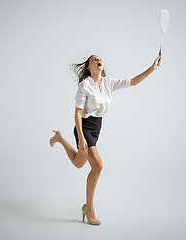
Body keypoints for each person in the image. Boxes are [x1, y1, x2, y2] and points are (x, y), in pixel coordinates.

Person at [49, 54, 161, 225]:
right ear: (88, 67)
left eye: (98, 58)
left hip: (97, 128)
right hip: (84, 127)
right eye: (93, 59)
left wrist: (153, 68)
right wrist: (80, 137)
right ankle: (88, 208)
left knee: (79, 163)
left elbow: (134, 81)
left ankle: (60, 138)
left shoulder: (108, 83)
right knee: (98, 166)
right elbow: (78, 113)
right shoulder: (84, 85)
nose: (97, 60)